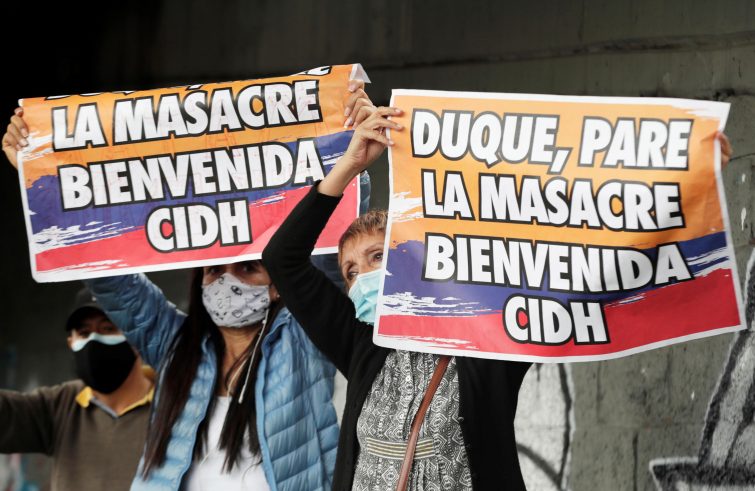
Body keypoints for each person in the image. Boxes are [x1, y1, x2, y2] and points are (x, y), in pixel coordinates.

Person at [261, 106, 734, 490]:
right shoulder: (360, 347)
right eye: (351, 272)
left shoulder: (489, 339)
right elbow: (282, 258)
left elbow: (589, 268)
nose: (364, 276)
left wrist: (685, 177)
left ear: (417, 259)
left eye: (378, 256)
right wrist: (350, 165)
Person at [2, 78, 375, 491]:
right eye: (213, 271)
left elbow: (329, 237)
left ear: (278, 286)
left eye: (247, 269)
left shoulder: (304, 337)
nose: (227, 280)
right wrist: (40, 178)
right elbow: (110, 276)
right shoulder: (175, 345)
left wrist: (347, 149)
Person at [0, 291, 155, 491]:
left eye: (108, 328)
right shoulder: (60, 404)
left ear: (137, 337)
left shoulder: (175, 407)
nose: (94, 340)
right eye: (84, 333)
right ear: (71, 342)